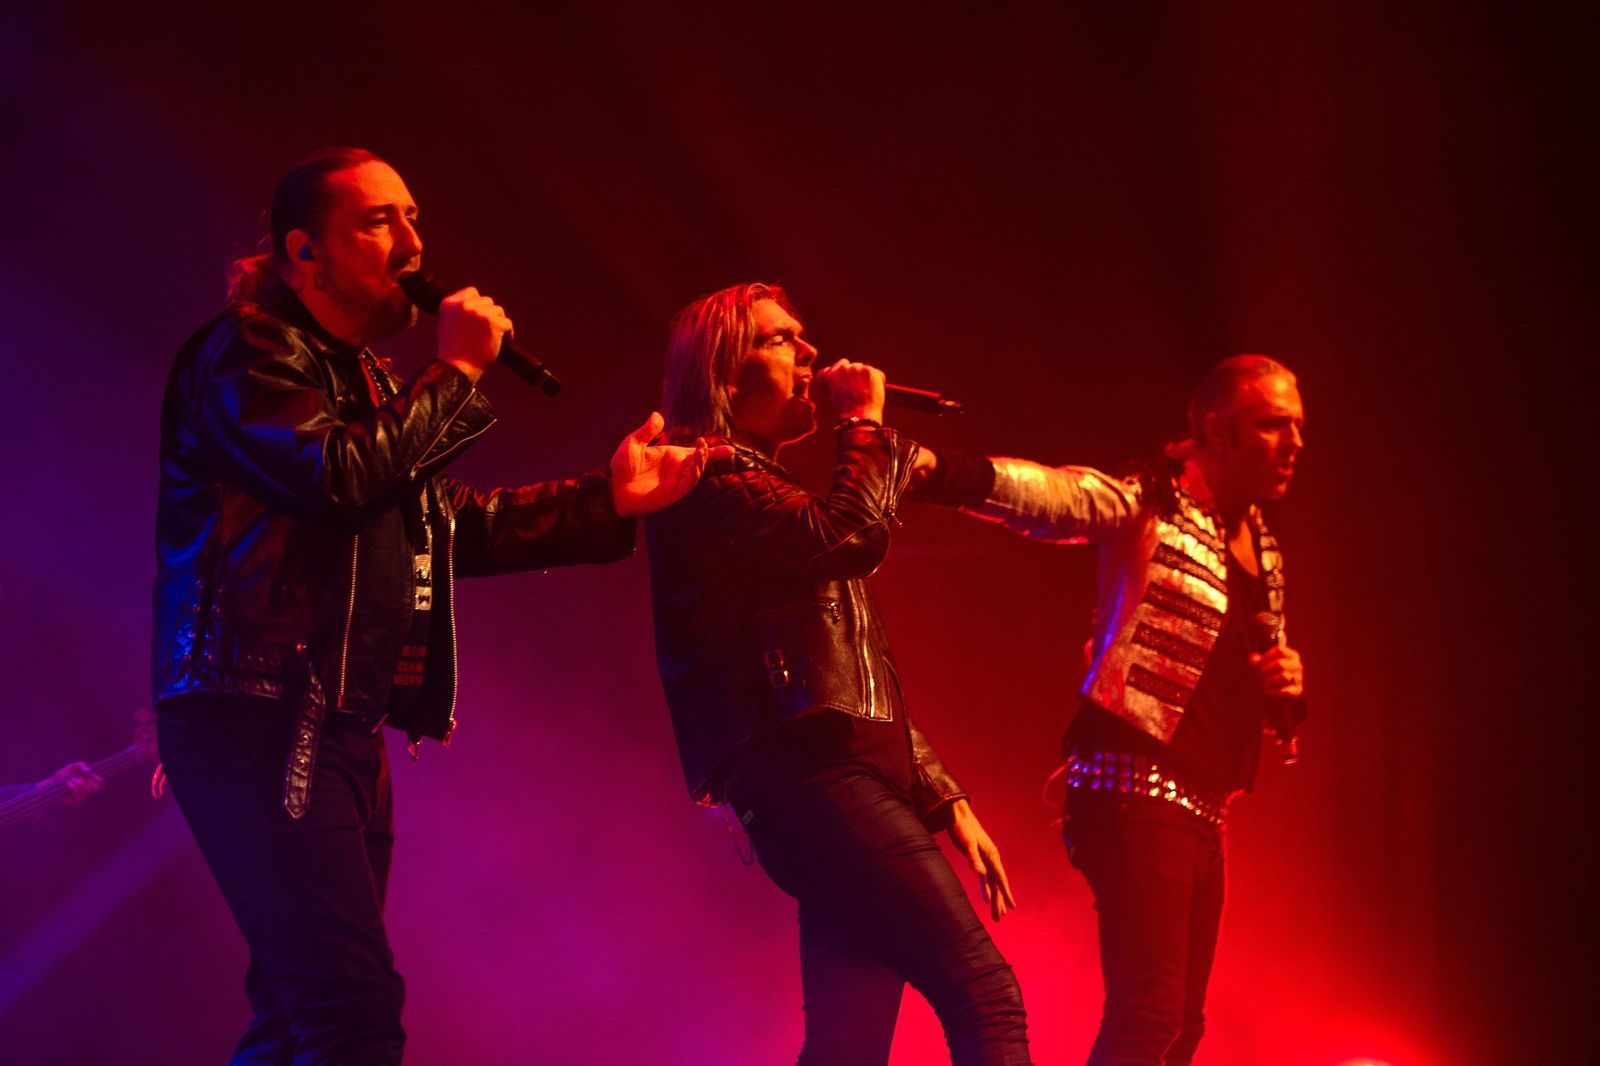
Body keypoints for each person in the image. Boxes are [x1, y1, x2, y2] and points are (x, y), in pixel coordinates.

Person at [152, 147, 717, 1065]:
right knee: (350, 1013)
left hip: (334, 717)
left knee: (302, 1018)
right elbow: (335, 479)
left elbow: (439, 526)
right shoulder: (247, 355)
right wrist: (454, 372)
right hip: (256, 711)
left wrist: (606, 501)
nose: (413, 244)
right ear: (304, 252)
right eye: (380, 221)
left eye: (413, 217)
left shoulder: (367, 381)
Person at [646, 282, 1032, 1065]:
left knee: (845, 1047)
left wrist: (943, 795)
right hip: (817, 783)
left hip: (837, 784)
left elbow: (854, 669)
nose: (810, 352)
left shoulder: (761, 486)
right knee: (984, 994)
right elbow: (849, 536)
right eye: (780, 339)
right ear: (723, 377)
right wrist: (860, 423)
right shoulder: (708, 477)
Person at [911, 354, 1307, 1065]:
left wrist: (1285, 689)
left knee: (1181, 1025)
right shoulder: (1151, 499)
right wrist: (944, 471)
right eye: (1275, 425)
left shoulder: (1262, 543)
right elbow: (1056, 498)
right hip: (1134, 789)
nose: (1295, 443)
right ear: (1219, 430)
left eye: (1298, 427)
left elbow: (1237, 670)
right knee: (1149, 1014)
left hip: (1203, 809)